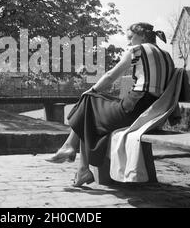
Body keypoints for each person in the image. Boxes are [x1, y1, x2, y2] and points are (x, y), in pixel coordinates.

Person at [46, 22, 175, 187]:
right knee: (89, 110)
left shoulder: (137, 50)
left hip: (136, 108)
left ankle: (72, 149)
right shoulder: (166, 55)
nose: (128, 42)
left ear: (142, 36)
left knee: (88, 99)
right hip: (154, 111)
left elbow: (110, 76)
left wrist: (90, 90)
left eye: (130, 37)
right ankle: (81, 169)